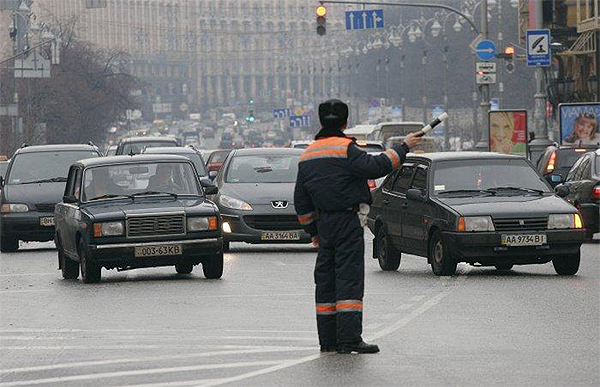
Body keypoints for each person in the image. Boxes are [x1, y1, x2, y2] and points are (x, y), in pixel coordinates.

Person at [294, 99, 421, 354]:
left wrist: (313, 232)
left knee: (326, 282)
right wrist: (404, 146)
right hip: (348, 221)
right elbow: (378, 166)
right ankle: (349, 339)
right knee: (348, 280)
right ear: (345, 122)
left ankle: (328, 341)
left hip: (325, 225)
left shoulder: (307, 154)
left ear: (320, 121)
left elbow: (301, 200)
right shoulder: (346, 149)